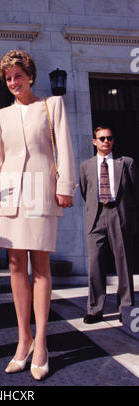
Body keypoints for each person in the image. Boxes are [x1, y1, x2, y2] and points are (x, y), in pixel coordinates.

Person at [0, 50, 76, 380]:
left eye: (18, 75)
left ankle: (41, 343)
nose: (13, 82)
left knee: (40, 264)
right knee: (14, 264)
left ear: (30, 75)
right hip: (9, 196)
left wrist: (65, 186)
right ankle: (22, 340)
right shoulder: (1, 116)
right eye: (8, 78)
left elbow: (63, 147)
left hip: (42, 191)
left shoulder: (52, 105)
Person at [80, 126, 139, 324]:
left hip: (118, 215)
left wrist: (127, 215)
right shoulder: (86, 166)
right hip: (96, 217)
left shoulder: (126, 163)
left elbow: (133, 192)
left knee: (124, 263)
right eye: (102, 138)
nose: (106, 141)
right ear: (94, 141)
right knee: (95, 263)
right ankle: (95, 309)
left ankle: (126, 308)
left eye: (109, 138)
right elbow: (84, 191)